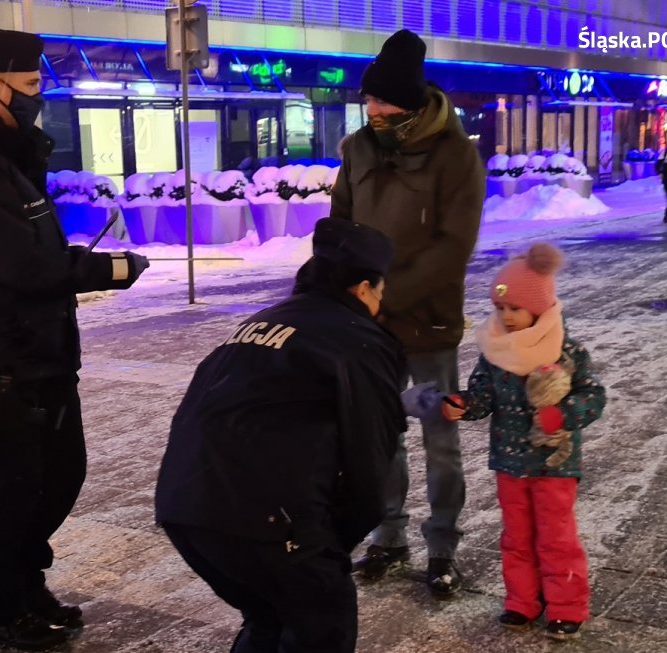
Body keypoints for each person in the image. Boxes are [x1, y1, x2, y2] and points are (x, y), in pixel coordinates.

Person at [0, 29, 150, 651]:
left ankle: (26, 581)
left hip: (40, 351)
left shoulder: (6, 157)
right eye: (30, 86)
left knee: (58, 476)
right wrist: (108, 270)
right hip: (1, 359)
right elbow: (22, 266)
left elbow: (34, 253)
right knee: (10, 491)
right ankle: (3, 608)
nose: (39, 97)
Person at [155, 218, 407, 653]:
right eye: (380, 293)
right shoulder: (360, 342)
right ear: (364, 288)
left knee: (270, 617)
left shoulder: (265, 321)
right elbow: (371, 466)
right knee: (322, 623)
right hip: (271, 524)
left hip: (186, 508)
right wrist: (329, 545)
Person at [330, 28, 485, 597]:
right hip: (369, 324)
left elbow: (453, 245)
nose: (369, 108)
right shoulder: (361, 147)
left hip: (430, 321)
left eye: (378, 99)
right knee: (379, 437)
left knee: (439, 439)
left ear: (407, 100)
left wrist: (386, 295)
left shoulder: (454, 153)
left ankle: (442, 546)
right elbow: (338, 223)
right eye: (366, 100)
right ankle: (388, 537)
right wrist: (338, 285)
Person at [405, 243, 605, 641]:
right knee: (516, 536)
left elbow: (593, 396)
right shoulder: (494, 353)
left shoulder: (567, 351)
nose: (506, 317)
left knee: (556, 537)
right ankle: (522, 600)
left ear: (539, 307)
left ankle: (566, 606)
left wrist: (561, 414)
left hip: (554, 464)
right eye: (500, 309)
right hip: (509, 464)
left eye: (515, 308)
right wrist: (463, 404)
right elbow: (483, 396)